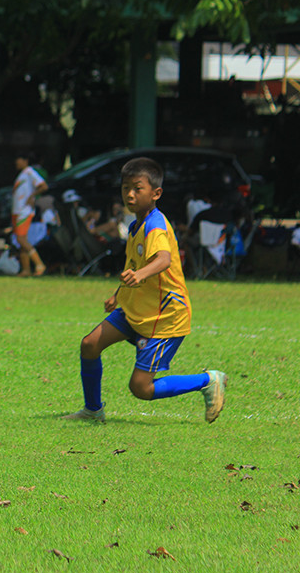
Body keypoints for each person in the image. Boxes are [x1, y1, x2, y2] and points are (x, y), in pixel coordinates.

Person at [61, 157, 227, 424]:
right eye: (126, 187)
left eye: (137, 188)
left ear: (156, 193)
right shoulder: (136, 224)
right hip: (135, 307)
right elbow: (135, 264)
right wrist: (119, 293)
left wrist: (138, 275)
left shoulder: (155, 226)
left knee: (141, 388)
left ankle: (208, 380)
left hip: (163, 317)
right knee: (90, 344)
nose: (130, 194)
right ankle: (93, 410)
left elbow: (163, 259)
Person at [10, 152, 48, 276]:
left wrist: (32, 196)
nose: (16, 162)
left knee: (21, 239)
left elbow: (43, 186)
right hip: (17, 211)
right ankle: (25, 270)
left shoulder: (30, 172)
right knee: (21, 240)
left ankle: (39, 264)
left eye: (18, 159)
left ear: (25, 160)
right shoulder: (23, 174)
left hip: (24, 211)